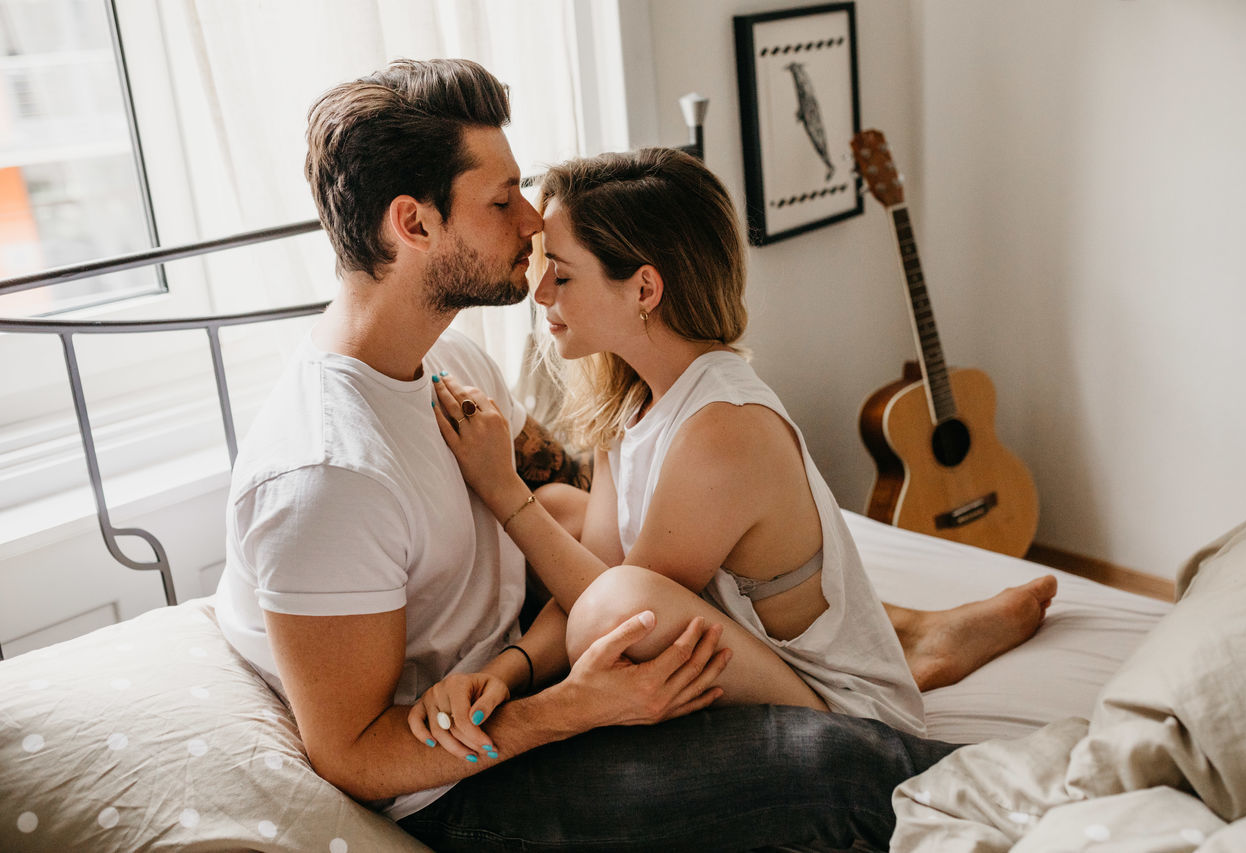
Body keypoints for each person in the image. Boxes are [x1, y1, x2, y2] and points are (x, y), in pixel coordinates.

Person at [215, 57, 962, 853]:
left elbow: (596, 535)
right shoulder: (327, 477)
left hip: (521, 679)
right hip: (466, 784)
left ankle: (914, 660)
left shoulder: (451, 362)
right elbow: (354, 755)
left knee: (569, 511)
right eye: (503, 199)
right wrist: (578, 704)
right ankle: (1052, 795)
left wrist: (511, 669)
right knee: (826, 769)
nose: (533, 221)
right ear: (415, 224)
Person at [426, 147, 1058, 734]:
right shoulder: (631, 402)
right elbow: (592, 583)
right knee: (566, 511)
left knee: (602, 590)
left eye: (560, 276)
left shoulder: (722, 428)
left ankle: (911, 650)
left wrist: (502, 487)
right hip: (760, 662)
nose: (539, 296)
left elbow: (611, 612)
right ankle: (914, 638)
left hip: (844, 717)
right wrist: (504, 670)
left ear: (645, 289)